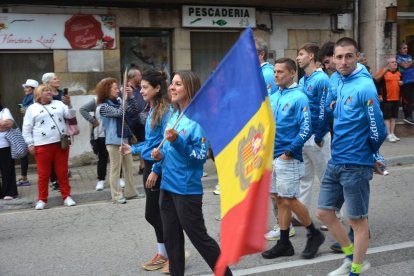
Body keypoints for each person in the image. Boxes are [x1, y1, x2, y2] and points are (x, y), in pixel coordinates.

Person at [317, 37, 387, 276]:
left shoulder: (364, 85)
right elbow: (340, 112)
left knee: (357, 221)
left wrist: (372, 153)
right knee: (325, 212)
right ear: (332, 59)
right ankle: (351, 258)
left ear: (357, 56)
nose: (343, 61)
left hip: (356, 163)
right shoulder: (339, 80)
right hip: (336, 160)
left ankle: (356, 270)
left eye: (349, 56)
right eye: (339, 57)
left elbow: (378, 129)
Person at [151, 71, 232, 276]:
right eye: (172, 84)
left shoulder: (200, 120)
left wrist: (176, 141)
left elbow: (199, 157)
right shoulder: (174, 115)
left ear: (190, 89)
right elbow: (169, 151)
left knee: (200, 239)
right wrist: (158, 161)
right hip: (167, 187)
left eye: (178, 84)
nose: (172, 87)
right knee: (172, 239)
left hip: (186, 190)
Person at [262, 58, 325, 260]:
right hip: (272, 155)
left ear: (291, 74)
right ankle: (284, 243)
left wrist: (289, 151)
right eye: (275, 71)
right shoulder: (272, 97)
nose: (276, 75)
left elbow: (307, 128)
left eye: (281, 72)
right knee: (279, 198)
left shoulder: (300, 97)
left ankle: (313, 233)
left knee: (289, 198)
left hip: (287, 157)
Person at [120, 69, 172, 272]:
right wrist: (131, 148)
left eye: (144, 87)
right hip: (150, 165)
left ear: (157, 88)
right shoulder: (152, 108)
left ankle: (173, 255)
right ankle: (164, 253)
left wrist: (156, 170)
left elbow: (165, 144)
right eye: (140, 87)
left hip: (159, 167)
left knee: (161, 213)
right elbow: (151, 143)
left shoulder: (166, 110)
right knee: (153, 214)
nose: (140, 91)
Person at [22, 84, 77, 210]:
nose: (49, 92)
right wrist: (30, 143)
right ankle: (42, 199)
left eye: (49, 90)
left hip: (60, 144)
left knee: (62, 172)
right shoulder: (32, 108)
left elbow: (70, 115)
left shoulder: (59, 104)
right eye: (45, 90)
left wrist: (69, 104)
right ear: (38, 95)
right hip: (42, 145)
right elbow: (26, 128)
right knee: (43, 174)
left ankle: (66, 196)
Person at [296, 43, 331, 226]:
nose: (298, 58)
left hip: (319, 137)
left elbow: (324, 109)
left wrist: (318, 137)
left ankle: (332, 215)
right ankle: (302, 215)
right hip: (304, 137)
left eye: (301, 54)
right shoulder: (303, 81)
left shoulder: (322, 79)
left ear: (311, 56)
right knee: (305, 178)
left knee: (326, 177)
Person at [97, 77, 138, 204]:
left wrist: (130, 96)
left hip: (124, 139)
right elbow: (120, 113)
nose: (117, 90)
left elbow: (133, 110)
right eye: (114, 88)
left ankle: (131, 193)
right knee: (116, 169)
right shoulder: (103, 107)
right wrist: (125, 99)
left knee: (129, 167)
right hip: (113, 141)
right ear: (106, 90)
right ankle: (116, 195)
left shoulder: (120, 101)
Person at [42, 72, 65, 191]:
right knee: (50, 155)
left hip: (61, 126)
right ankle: (54, 180)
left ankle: (61, 178)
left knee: (61, 153)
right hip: (48, 129)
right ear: (48, 82)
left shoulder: (61, 93)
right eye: (55, 79)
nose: (58, 80)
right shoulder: (43, 94)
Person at [79, 97, 108, 191]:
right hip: (101, 134)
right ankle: (101, 180)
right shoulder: (96, 100)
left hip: (114, 134)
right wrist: (93, 121)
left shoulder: (117, 99)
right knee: (102, 158)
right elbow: (83, 109)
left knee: (117, 157)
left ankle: (120, 177)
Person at [124, 68, 148, 174]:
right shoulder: (125, 88)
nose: (141, 77)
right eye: (139, 75)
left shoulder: (139, 88)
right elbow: (123, 103)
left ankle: (142, 165)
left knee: (142, 142)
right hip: (129, 121)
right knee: (129, 144)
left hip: (140, 120)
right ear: (133, 77)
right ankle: (127, 170)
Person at [17, 79, 39, 186]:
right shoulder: (26, 98)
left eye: (27, 87)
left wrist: (27, 111)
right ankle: (24, 176)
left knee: (37, 152)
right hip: (27, 128)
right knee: (25, 151)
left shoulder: (35, 98)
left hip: (34, 129)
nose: (25, 89)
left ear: (33, 89)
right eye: (25, 87)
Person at [375, 57, 402, 143]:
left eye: (395, 62)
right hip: (386, 98)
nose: (395, 63)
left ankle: (392, 133)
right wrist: (379, 95)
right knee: (387, 117)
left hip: (396, 98)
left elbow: (399, 84)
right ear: (388, 64)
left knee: (393, 117)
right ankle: (388, 134)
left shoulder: (398, 73)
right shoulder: (383, 71)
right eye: (392, 62)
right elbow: (377, 81)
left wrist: (401, 83)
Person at [0, 98, 18, 200]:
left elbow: (9, 124)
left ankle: (10, 192)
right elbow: (3, 125)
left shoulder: (4, 110)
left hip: (4, 145)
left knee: (7, 169)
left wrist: (5, 124)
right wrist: (2, 125)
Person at [396, 42, 414, 124]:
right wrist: (412, 62)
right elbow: (405, 66)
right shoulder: (398, 57)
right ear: (399, 50)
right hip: (405, 80)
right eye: (404, 48)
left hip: (412, 79)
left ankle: (410, 115)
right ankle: (407, 116)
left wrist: (410, 63)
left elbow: (409, 65)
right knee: (407, 98)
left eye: (406, 48)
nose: (406, 50)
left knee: (412, 99)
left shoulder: (409, 56)